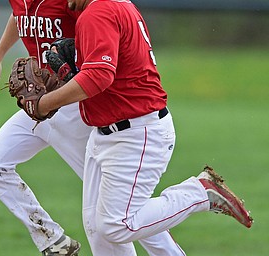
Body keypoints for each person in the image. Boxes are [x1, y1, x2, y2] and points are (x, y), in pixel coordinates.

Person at [38, 0, 253, 255]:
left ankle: (199, 193)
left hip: (135, 134)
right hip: (109, 132)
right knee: (97, 228)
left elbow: (99, 77)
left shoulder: (98, 12)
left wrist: (43, 104)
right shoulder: (118, 5)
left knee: (116, 226)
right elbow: (112, 70)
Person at [0, 0, 187, 255]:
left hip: (74, 107)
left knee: (115, 214)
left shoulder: (74, 3)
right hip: (39, 106)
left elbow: (100, 40)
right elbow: (18, 16)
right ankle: (52, 240)